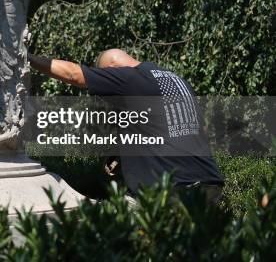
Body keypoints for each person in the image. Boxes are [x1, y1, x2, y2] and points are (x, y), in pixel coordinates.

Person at [28, 49, 224, 204]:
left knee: (115, 231)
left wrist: (26, 57)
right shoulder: (174, 79)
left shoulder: (129, 78)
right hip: (208, 182)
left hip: (171, 188)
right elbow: (174, 127)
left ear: (112, 69)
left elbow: (73, 74)